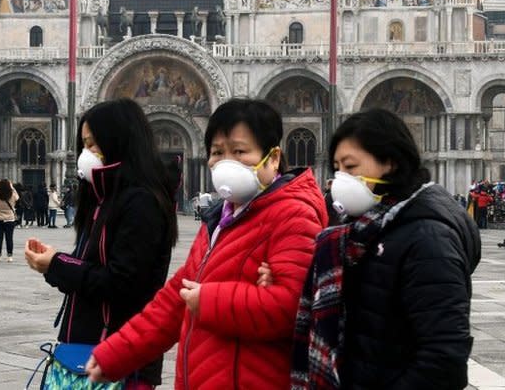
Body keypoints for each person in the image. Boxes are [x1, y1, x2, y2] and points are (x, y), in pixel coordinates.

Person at [87, 98, 327, 389]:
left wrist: (209, 300)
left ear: (273, 158)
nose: (226, 162)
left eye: (239, 151)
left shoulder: (294, 214)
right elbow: (177, 297)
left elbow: (293, 310)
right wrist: (117, 353)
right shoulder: (221, 218)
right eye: (217, 152)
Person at [290, 108, 480, 389]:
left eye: (351, 167)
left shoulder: (428, 238)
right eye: (337, 168)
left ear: (389, 163)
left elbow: (443, 359)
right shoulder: (354, 235)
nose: (340, 178)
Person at [25, 99, 180, 389]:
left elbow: (121, 282)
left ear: (120, 142)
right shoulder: (103, 197)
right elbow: (90, 271)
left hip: (119, 357)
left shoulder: (141, 201)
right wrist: (52, 265)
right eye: (84, 145)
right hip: (85, 353)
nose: (87, 154)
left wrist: (58, 263)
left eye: (94, 145)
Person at [0, 179, 18, 262]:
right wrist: (12, 187)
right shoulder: (12, 194)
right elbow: (17, 197)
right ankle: (9, 256)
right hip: (9, 219)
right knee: (9, 238)